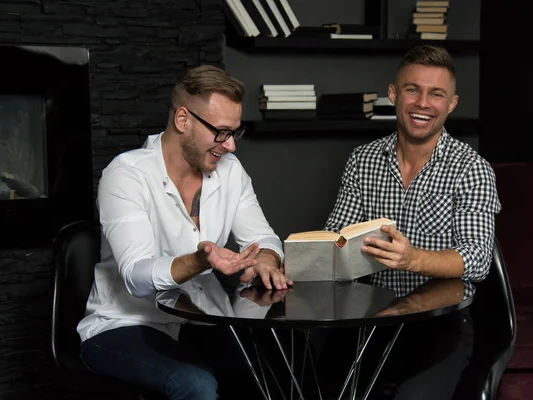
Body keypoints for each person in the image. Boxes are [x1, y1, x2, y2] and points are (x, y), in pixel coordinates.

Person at [77, 65, 292, 400]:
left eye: (235, 132)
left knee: (279, 358)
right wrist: (200, 260)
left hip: (202, 321)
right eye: (221, 132)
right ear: (182, 120)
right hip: (126, 324)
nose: (231, 145)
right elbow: (136, 276)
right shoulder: (126, 174)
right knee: (196, 385)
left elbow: (263, 238)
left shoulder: (230, 171)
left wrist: (266, 259)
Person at [318, 45, 501, 399]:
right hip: (369, 322)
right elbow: (335, 239)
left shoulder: (472, 169)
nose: (422, 103)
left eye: (437, 94)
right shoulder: (363, 160)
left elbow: (477, 261)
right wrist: (290, 260)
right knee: (315, 386)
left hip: (441, 326)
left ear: (451, 104)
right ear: (393, 94)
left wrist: (411, 258)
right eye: (412, 89)